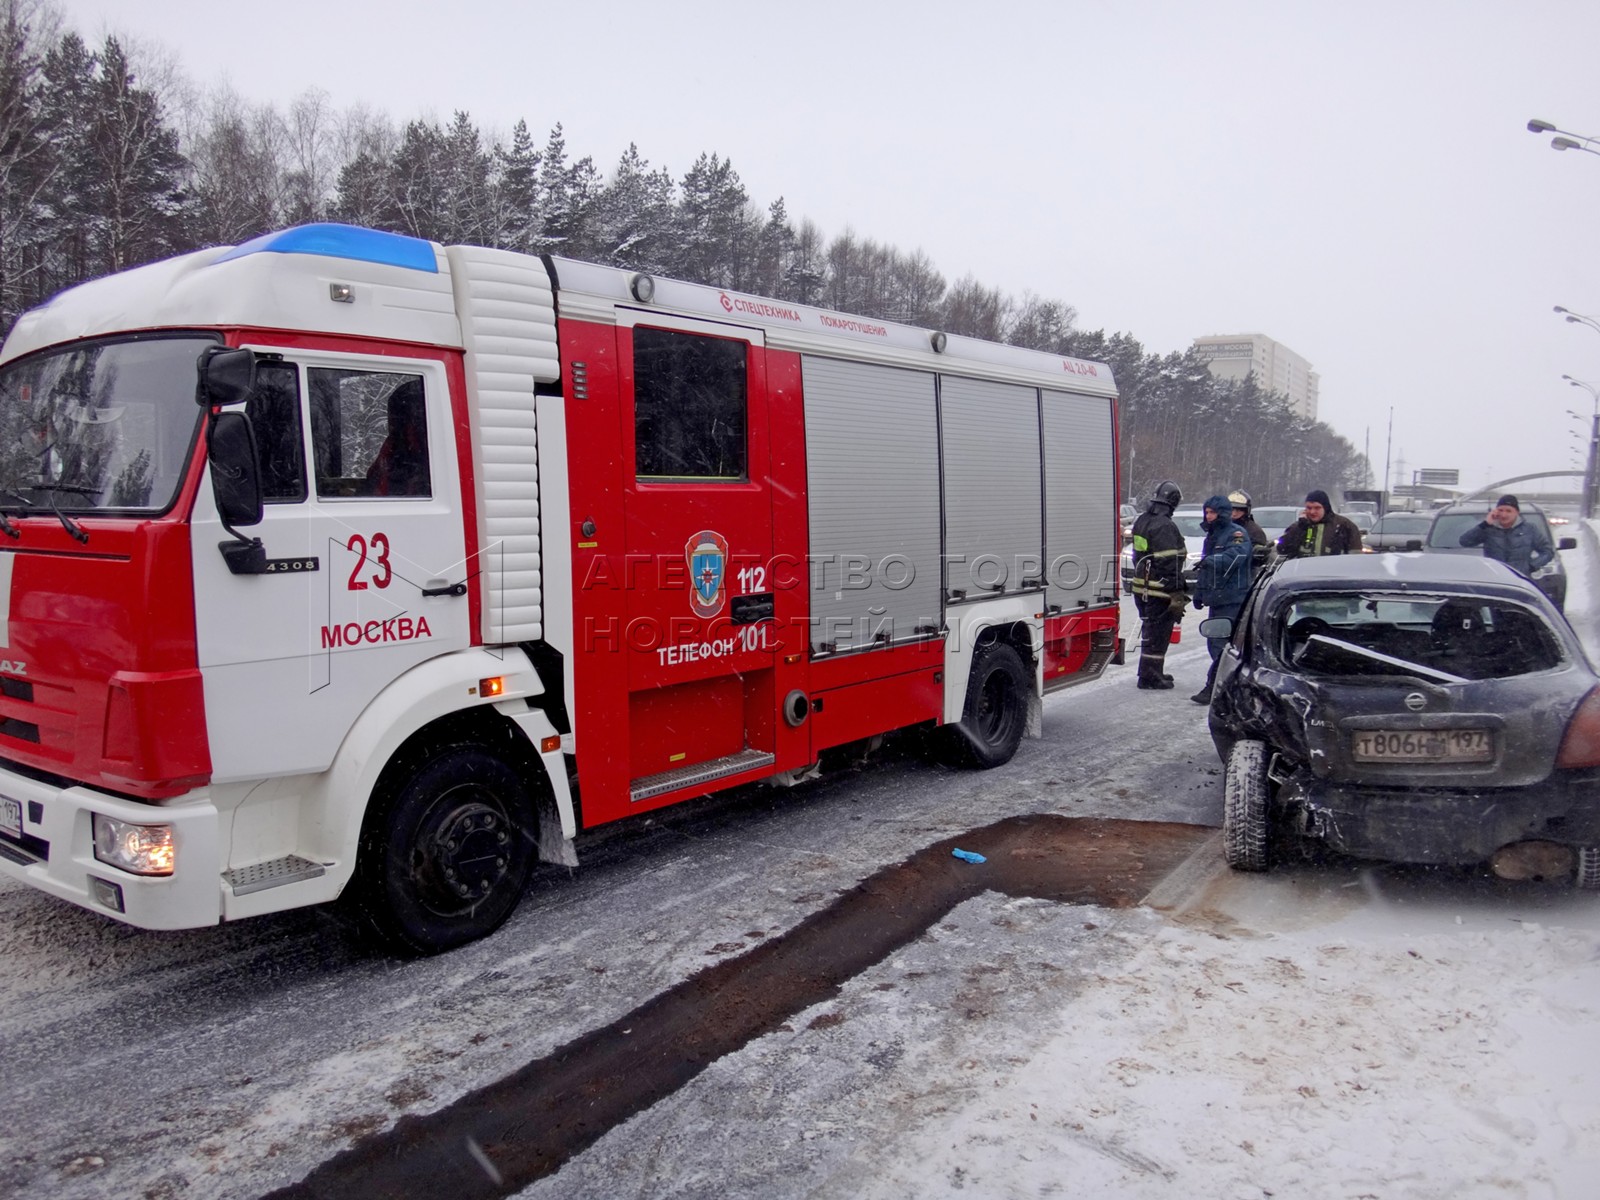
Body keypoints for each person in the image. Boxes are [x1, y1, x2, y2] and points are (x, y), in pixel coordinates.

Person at [1191, 494, 1254, 704]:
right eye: (1206, 512)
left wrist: (1211, 561)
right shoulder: (1212, 536)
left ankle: (1215, 687)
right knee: (1216, 644)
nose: (1208, 516)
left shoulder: (1236, 533)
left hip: (1232, 599)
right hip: (1217, 599)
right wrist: (1199, 594)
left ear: (1222, 513)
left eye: (1212, 512)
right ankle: (1230, 686)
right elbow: (1205, 571)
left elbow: (1236, 557)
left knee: (1221, 646)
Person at [1128, 480, 1188, 690]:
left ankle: (1151, 672)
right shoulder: (1165, 525)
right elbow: (1168, 561)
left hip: (1142, 587)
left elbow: (1140, 555)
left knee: (1150, 630)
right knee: (1158, 634)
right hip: (1158, 590)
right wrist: (1175, 590)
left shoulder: (1143, 520)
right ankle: (1150, 676)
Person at [1458, 494, 1553, 578]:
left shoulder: (1529, 529)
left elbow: (1547, 551)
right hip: (1495, 579)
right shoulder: (1488, 529)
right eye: (1500, 510)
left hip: (1520, 580)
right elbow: (1465, 542)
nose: (1504, 514)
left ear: (1517, 512)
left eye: (1508, 511)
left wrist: (1531, 566)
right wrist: (1485, 524)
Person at [1276, 489, 1363, 558]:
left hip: (1334, 577)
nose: (1312, 512)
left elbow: (1355, 559)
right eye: (1309, 508)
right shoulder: (1299, 526)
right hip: (1303, 576)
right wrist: (1300, 529)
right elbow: (1282, 550)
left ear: (1325, 507)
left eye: (1317, 508)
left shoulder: (1345, 526)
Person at [1228, 489, 1270, 572]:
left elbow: (1259, 562)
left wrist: (1257, 554)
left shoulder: (1254, 531)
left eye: (1239, 510)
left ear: (1246, 511)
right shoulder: (1220, 527)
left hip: (1243, 574)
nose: (1234, 513)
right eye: (1232, 509)